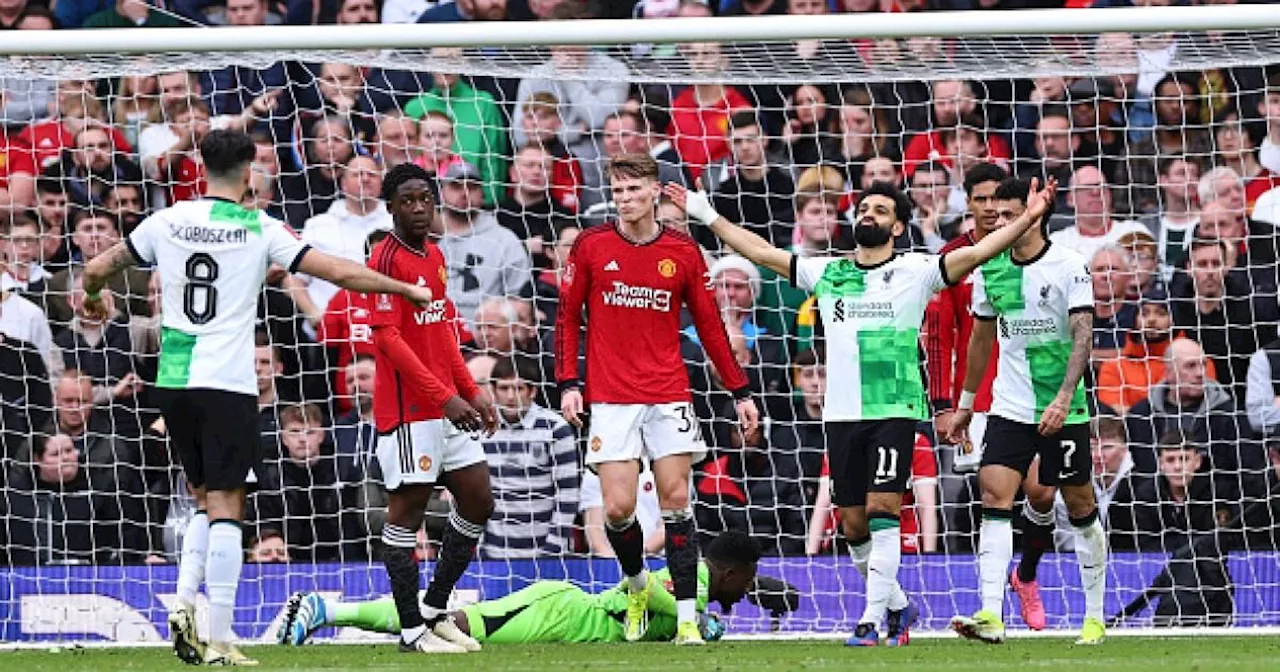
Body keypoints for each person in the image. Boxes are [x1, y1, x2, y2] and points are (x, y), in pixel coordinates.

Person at [78, 129, 434, 667]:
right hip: (226, 383)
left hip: (172, 384)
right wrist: (405, 288)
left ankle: (183, 604)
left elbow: (97, 269)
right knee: (229, 506)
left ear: (200, 168)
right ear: (248, 173)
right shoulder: (260, 226)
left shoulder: (165, 220)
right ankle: (219, 636)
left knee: (202, 496)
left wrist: (93, 298)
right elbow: (335, 271)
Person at [662, 172, 1058, 647]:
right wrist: (706, 214)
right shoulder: (828, 272)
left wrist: (1029, 219)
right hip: (841, 415)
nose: (867, 215)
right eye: (864, 209)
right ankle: (897, 605)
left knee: (881, 509)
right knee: (852, 527)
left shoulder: (918, 269)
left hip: (894, 409)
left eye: (880, 211)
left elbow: (976, 253)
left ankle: (870, 622)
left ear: (897, 227)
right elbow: (762, 252)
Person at [555, 152, 759, 646]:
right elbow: (567, 319)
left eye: (633, 190)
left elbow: (710, 326)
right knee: (619, 509)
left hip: (668, 392)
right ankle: (639, 586)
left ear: (655, 193)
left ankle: (687, 617)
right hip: (611, 396)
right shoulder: (591, 246)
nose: (624, 199)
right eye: (618, 191)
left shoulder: (683, 251)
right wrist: (567, 383)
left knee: (675, 500)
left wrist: (741, 391)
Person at [946, 177, 1105, 646]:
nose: (1001, 222)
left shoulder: (1068, 265)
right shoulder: (990, 268)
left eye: (1011, 214)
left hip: (1063, 408)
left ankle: (1093, 617)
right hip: (1009, 407)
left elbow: (1083, 336)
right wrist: (966, 404)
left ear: (1034, 216)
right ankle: (990, 615)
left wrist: (1062, 398)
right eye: (996, 215)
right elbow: (979, 340)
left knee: (1078, 506)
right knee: (995, 496)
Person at [366, 162, 500, 655]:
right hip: (408, 411)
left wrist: (469, 388)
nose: (419, 208)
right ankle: (409, 632)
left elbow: (442, 330)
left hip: (446, 404)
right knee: (408, 513)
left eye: (425, 198)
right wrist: (444, 397)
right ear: (392, 206)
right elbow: (388, 341)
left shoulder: (436, 255)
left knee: (478, 499)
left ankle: (433, 609)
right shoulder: (384, 260)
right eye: (408, 200)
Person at [276, 531, 763, 646]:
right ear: (728, 573)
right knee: (449, 628)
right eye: (748, 581)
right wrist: (690, 619)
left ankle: (328, 612)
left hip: (566, 614)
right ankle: (327, 610)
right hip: (563, 614)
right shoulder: (692, 584)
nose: (747, 592)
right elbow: (642, 584)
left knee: (449, 625)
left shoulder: (701, 591)